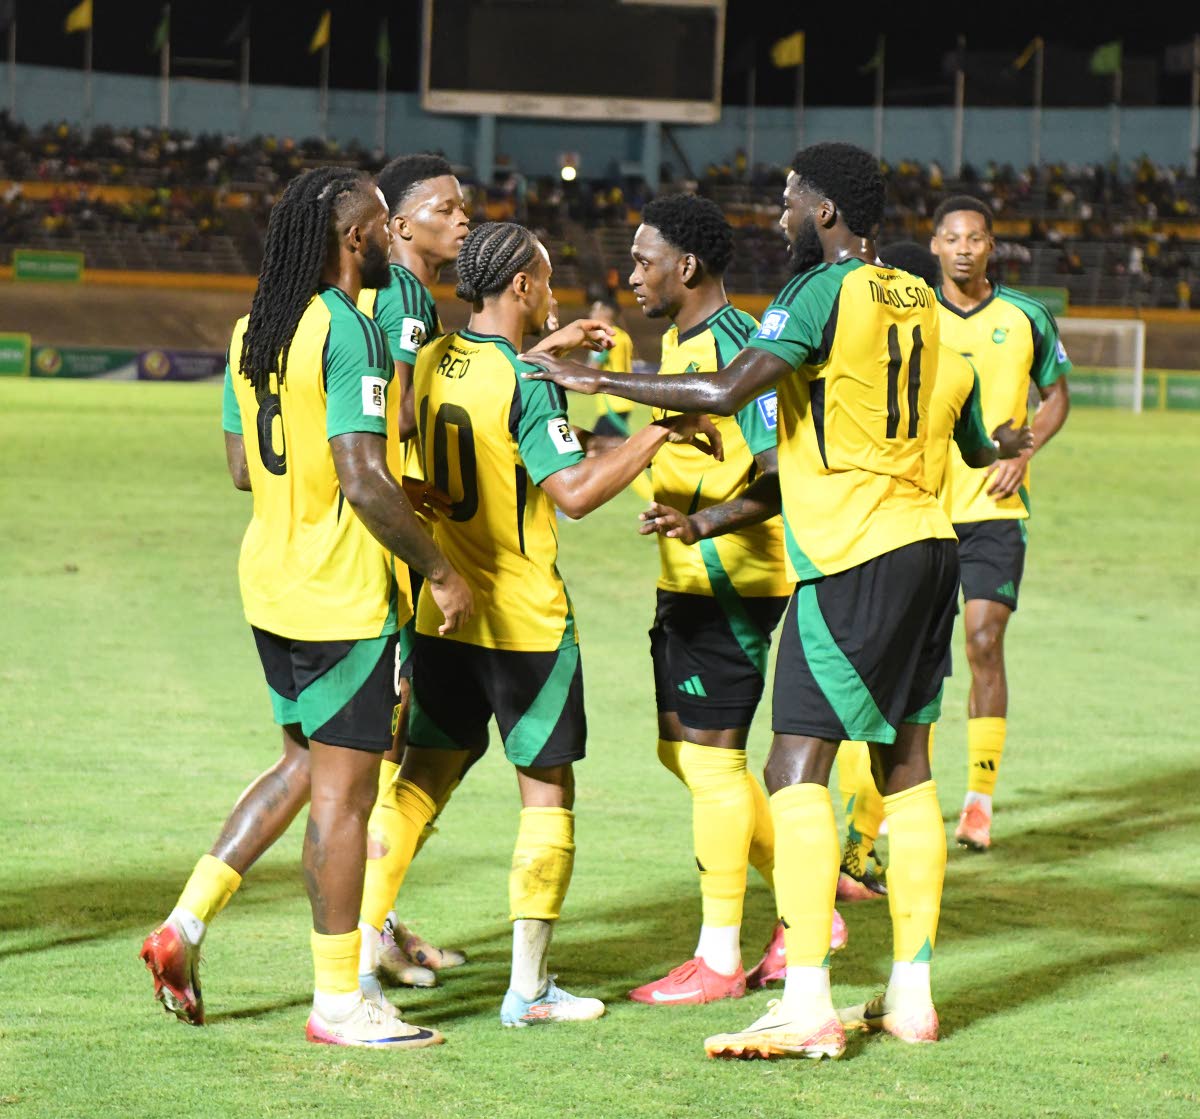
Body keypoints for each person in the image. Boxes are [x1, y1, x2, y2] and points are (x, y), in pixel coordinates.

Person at [523, 142, 961, 1058]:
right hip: (930, 543)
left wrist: (601, 381)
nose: (779, 216)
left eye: (792, 201)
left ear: (830, 212)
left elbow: (729, 391)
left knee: (794, 767)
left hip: (853, 552)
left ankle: (806, 998)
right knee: (908, 764)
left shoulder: (818, 291)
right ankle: (911, 993)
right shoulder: (919, 296)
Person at [140, 166, 473, 1049]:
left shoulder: (256, 328)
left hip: (272, 584)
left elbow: (243, 467)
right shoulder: (349, 327)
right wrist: (439, 571)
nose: (379, 238)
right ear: (357, 237)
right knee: (344, 801)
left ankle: (187, 924)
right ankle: (338, 1002)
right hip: (343, 596)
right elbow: (365, 474)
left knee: (298, 762)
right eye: (373, 225)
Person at [378, 220, 722, 1032]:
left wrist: (557, 344)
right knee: (547, 796)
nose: (556, 286)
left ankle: (360, 953)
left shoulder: (429, 361)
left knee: (417, 787)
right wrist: (658, 431)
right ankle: (528, 989)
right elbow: (571, 489)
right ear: (522, 286)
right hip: (523, 622)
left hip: (444, 611)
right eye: (547, 274)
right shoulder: (530, 385)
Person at [618, 192, 841, 1008]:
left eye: (643, 260)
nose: (630, 273)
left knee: (713, 765)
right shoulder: (683, 343)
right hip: (686, 577)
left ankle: (719, 957)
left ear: (686, 266)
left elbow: (780, 479)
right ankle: (804, 902)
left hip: (732, 581)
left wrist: (703, 521)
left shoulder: (738, 349)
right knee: (679, 752)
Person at [832, 242, 1033, 899]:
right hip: (926, 544)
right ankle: (901, 946)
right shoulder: (949, 368)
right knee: (908, 722)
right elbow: (980, 444)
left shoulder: (857, 361)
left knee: (849, 719)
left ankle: (857, 850)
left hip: (869, 547)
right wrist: (1002, 445)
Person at [355, 152, 472, 989]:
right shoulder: (403, 298)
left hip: (390, 534)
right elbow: (398, 408)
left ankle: (383, 923)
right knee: (382, 756)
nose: (463, 220)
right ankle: (366, 939)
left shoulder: (412, 299)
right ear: (398, 227)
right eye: (444, 208)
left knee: (392, 755)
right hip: (391, 557)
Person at [929, 196, 1071, 851]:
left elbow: (1057, 395)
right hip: (920, 506)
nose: (963, 248)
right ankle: (885, 802)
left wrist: (1026, 450)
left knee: (984, 640)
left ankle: (978, 800)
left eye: (975, 238)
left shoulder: (1027, 317)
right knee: (913, 656)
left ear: (991, 246)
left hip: (993, 505)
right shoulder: (909, 313)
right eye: (952, 237)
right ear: (934, 245)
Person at [587, 291, 637, 438]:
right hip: (625, 399)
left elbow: (592, 369)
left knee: (602, 448)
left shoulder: (605, 338)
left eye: (595, 309)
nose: (591, 313)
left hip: (611, 403)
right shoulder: (623, 335)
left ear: (606, 313)